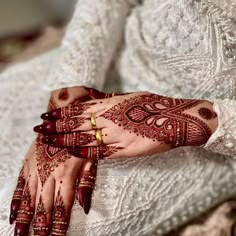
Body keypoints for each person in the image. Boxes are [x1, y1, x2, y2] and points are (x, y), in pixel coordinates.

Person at [0, 0, 236, 235]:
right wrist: (65, 108)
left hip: (204, 141)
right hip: (108, 59)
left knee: (19, 225)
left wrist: (191, 120)